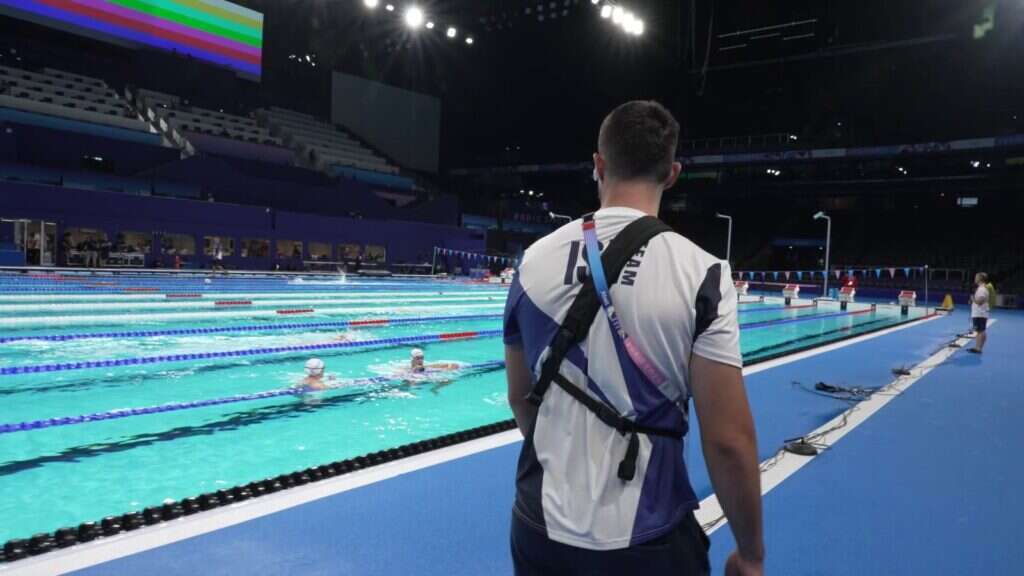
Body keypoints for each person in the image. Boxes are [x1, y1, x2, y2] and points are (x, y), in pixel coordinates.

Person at [504, 101, 764, 576]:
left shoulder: (532, 263)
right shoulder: (702, 274)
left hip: (538, 528)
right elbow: (727, 440)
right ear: (672, 174)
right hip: (647, 542)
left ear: (598, 165)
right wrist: (750, 553)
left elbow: (522, 400)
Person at [969, 272, 992, 354]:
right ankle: (979, 348)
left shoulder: (982, 289)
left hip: (980, 313)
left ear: (980, 279)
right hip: (981, 313)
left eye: (976, 277)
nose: (975, 278)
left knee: (980, 331)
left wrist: (972, 299)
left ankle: (978, 348)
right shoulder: (982, 288)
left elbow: (980, 302)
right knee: (982, 331)